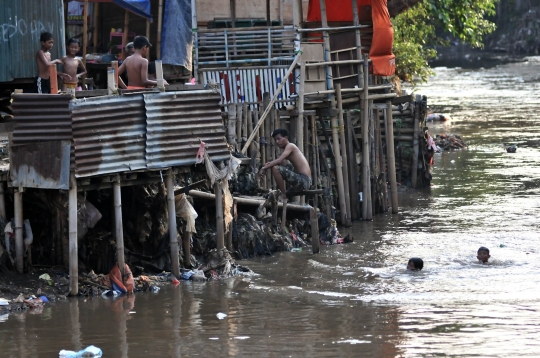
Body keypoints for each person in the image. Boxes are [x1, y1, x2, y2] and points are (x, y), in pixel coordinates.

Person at [258, 128, 312, 200]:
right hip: (304, 179)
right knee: (281, 165)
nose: (277, 142)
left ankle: (283, 195)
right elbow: (281, 162)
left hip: (304, 181)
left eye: (279, 139)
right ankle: (284, 193)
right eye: (275, 140)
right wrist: (268, 164)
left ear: (286, 138)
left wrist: (264, 168)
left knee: (276, 168)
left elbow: (279, 160)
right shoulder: (288, 148)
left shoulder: (290, 146)